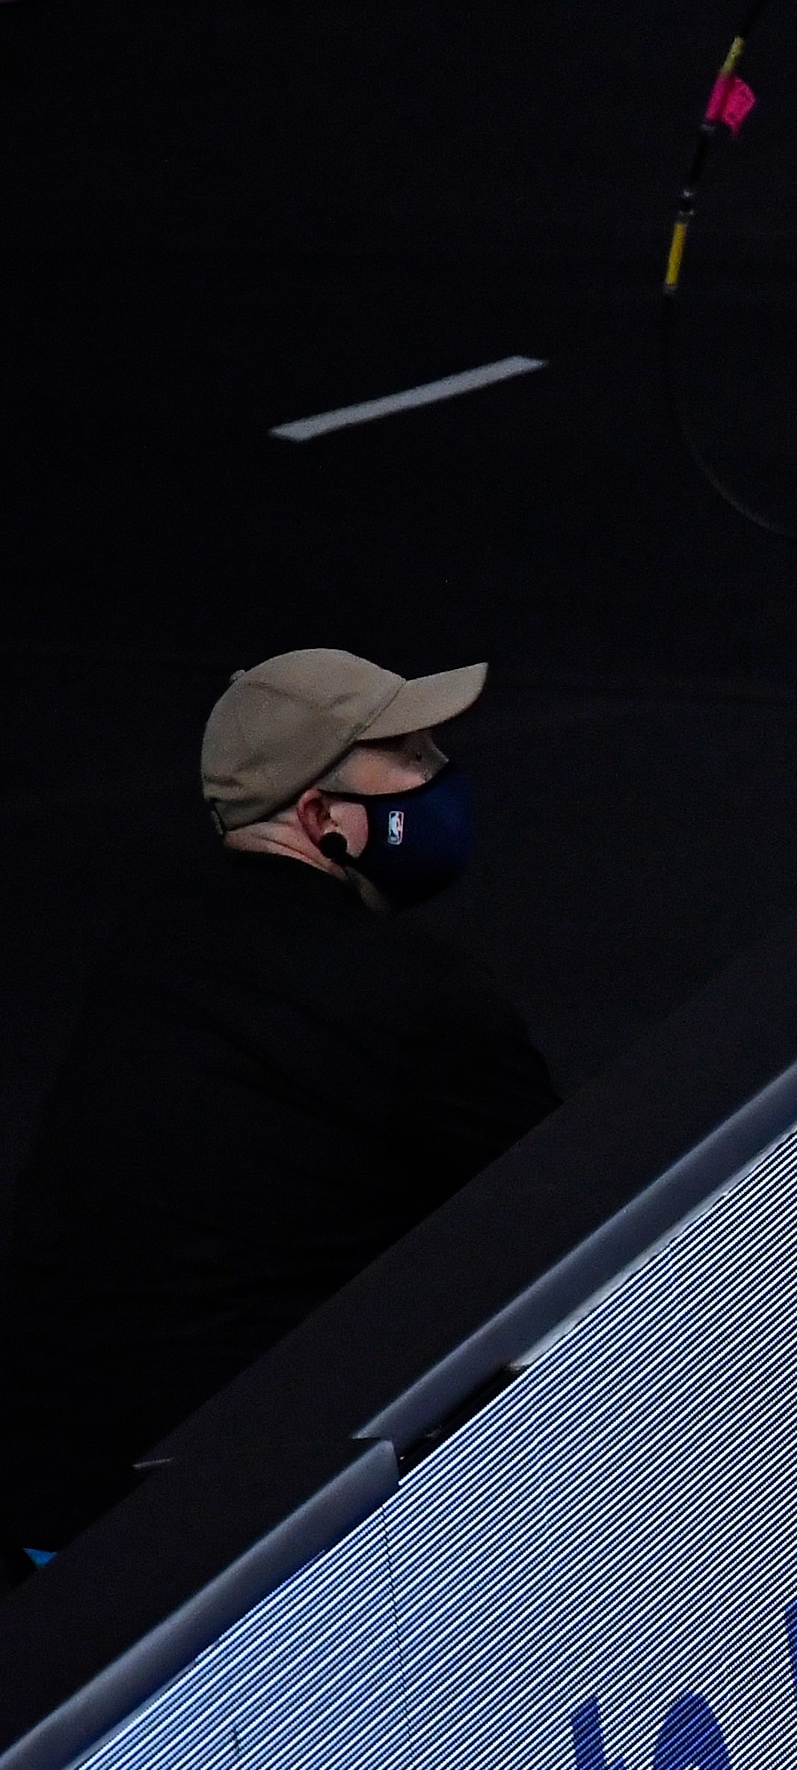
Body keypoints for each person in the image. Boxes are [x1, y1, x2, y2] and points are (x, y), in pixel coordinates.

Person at [0, 651, 556, 1556]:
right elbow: (567, 1227)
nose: (440, 773)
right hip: (238, 1541)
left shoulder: (152, 950)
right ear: (320, 819)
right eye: (410, 755)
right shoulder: (407, 992)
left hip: (53, 1515)